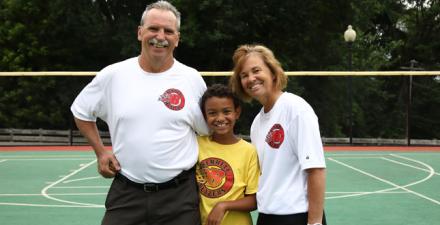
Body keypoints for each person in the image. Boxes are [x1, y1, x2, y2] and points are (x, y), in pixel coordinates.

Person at [70, 1, 208, 225]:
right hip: (127, 193)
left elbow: (206, 131)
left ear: (177, 39)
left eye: (168, 31)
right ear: (140, 32)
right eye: (153, 28)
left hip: (179, 197)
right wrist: (101, 152)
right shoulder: (113, 75)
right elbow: (81, 112)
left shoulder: (192, 79)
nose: (160, 36)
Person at [229, 44, 327, 225]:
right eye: (244, 75)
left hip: (296, 215)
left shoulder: (295, 108)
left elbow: (316, 169)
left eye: (256, 70)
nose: (251, 78)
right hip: (267, 216)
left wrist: (315, 223)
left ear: (273, 73)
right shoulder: (257, 123)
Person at [196, 84, 260, 225]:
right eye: (212, 113)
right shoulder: (197, 144)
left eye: (226, 111)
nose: (220, 118)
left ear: (237, 113)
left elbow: (254, 200)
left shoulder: (248, 151)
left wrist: (223, 206)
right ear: (205, 115)